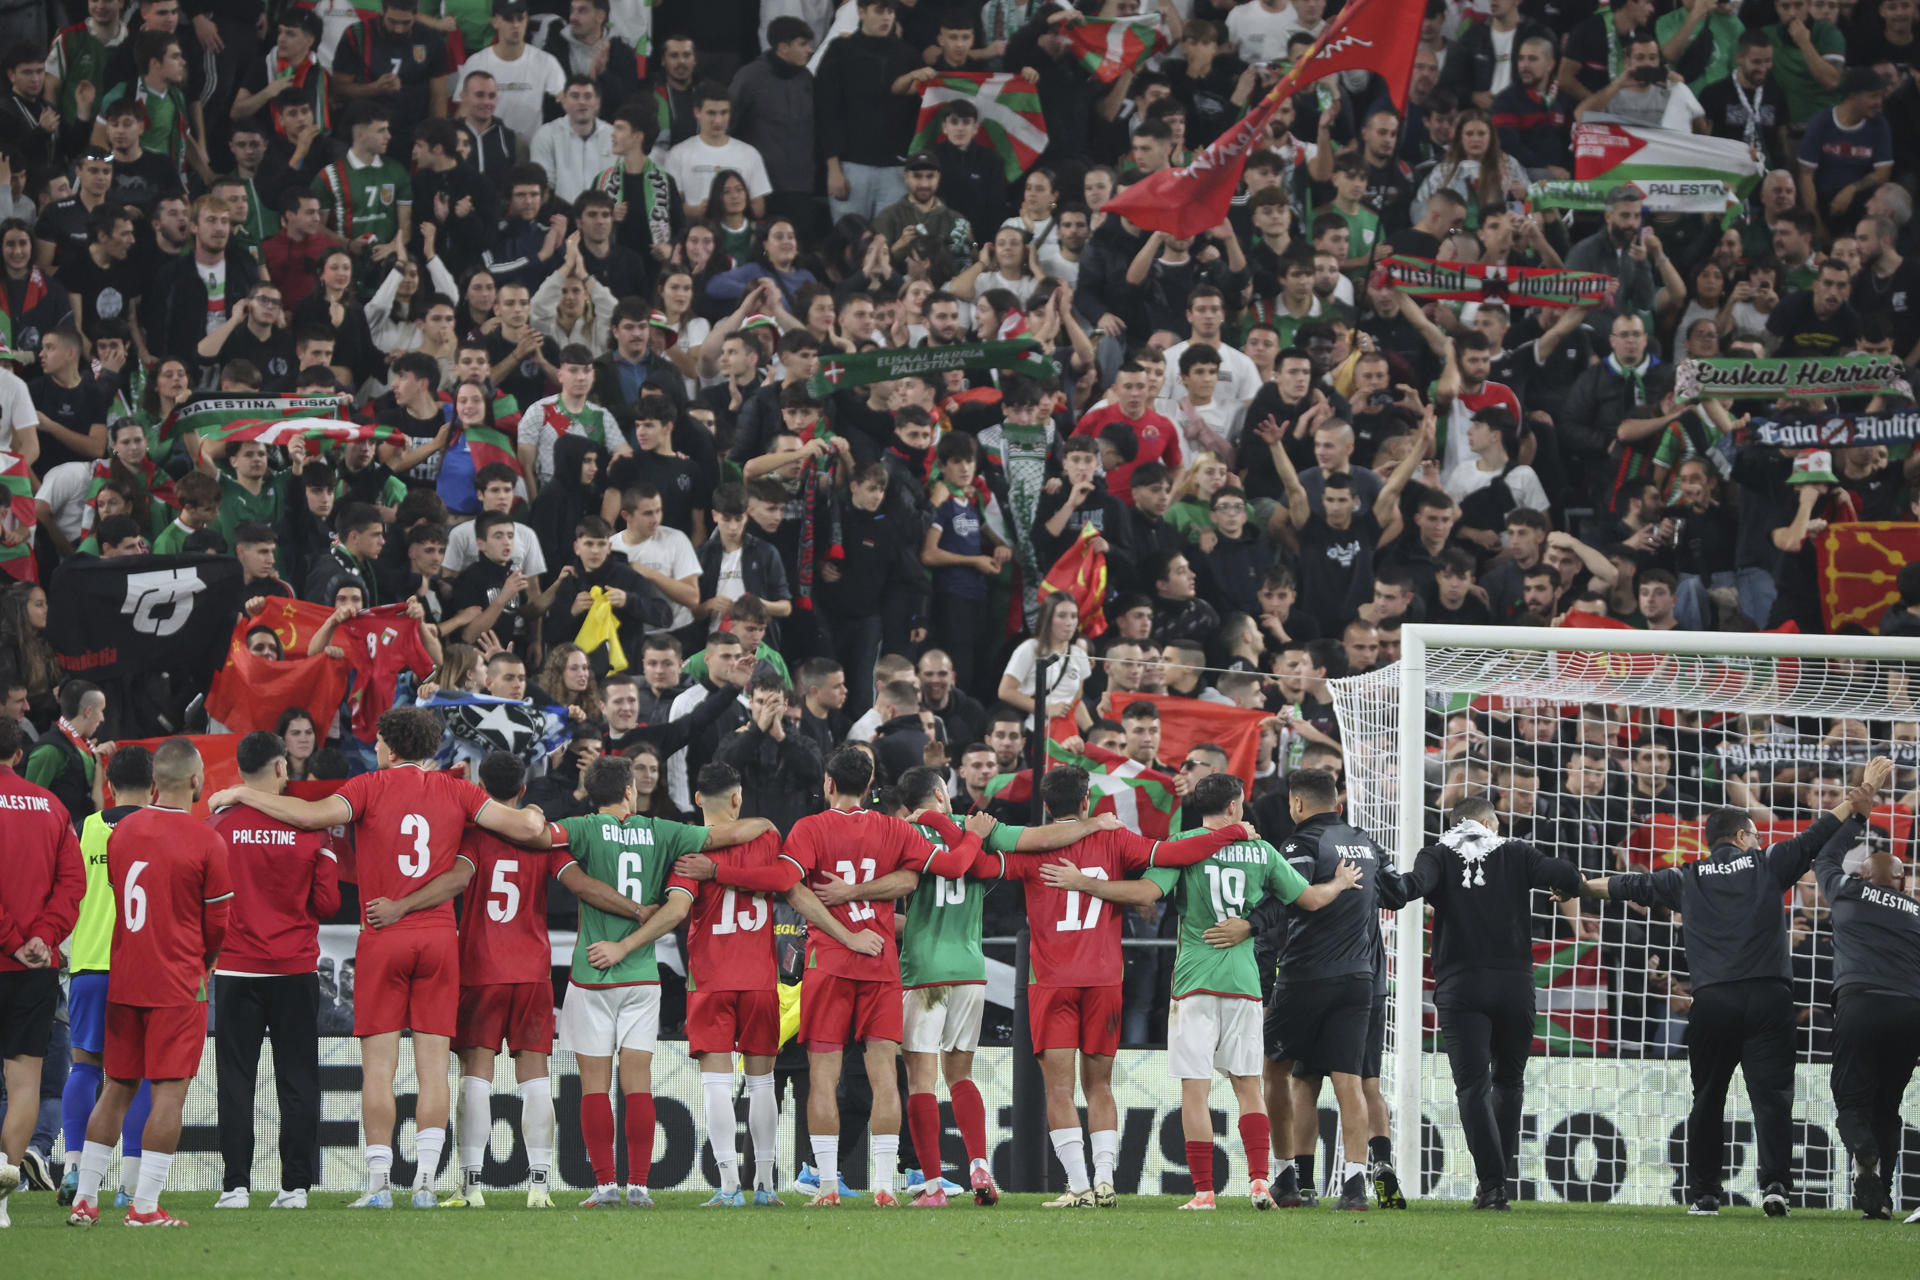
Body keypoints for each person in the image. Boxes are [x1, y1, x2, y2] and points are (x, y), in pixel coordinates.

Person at [204, 706, 549, 1210]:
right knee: (433, 1069)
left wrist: (240, 793)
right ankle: (426, 1182)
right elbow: (523, 828)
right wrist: (534, 814)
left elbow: (306, 815)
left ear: (389, 744)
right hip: (437, 938)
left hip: (383, 934)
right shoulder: (458, 791)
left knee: (379, 1069)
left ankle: (378, 1184)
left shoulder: (369, 786)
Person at [1580, 757, 1891, 1216]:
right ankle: (1776, 1188)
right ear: (1744, 836)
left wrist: (1579, 887)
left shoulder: (1684, 876)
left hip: (1713, 1000)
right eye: (1756, 835)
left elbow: (1629, 885)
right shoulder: (1767, 863)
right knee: (1772, 1097)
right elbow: (1815, 837)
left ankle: (1705, 1193)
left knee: (1707, 1098)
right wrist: (1858, 798)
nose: (1760, 840)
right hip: (1769, 997)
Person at [1041, 773, 1361, 1211]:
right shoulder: (1261, 849)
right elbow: (1309, 900)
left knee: (1196, 1091)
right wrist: (1340, 883)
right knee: (1249, 1087)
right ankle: (1259, 1184)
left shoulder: (1184, 846)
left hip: (1194, 981)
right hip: (1245, 982)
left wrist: (1086, 884)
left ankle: (1205, 1192)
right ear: (1234, 806)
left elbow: (1145, 893)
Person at [778, 744, 987, 1207]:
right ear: (871, 788)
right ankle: (885, 1185)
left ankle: (828, 1185)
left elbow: (792, 887)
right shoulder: (894, 828)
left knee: (824, 1076)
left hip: (829, 962)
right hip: (881, 964)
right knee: (883, 1077)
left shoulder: (809, 828)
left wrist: (844, 931)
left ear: (828, 784)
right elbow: (916, 879)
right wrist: (971, 836)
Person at [444, 750, 650, 1209]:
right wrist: (636, 910)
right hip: (533, 974)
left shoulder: (473, 838)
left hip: (481, 972)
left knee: (475, 1078)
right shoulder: (541, 840)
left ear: (480, 787)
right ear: (522, 789)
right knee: (534, 1079)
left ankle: (471, 1186)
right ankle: (539, 1184)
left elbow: (456, 881)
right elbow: (583, 886)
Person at [1384, 798, 1583, 1210]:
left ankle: (1492, 1186)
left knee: (1472, 1087)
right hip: (1514, 985)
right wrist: (1562, 885)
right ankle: (1497, 1182)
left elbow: (1409, 888)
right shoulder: (1515, 851)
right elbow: (1565, 874)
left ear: (1454, 824)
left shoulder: (1437, 853)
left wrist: (1383, 879)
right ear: (1491, 823)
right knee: (1509, 1082)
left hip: (1461, 987)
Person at [68, 738, 231, 1229]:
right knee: (168, 1096)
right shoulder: (207, 840)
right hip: (178, 984)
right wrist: (204, 964)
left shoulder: (124, 833)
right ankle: (143, 1208)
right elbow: (217, 925)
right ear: (199, 782)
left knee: (114, 1087)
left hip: (125, 981)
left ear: (156, 784)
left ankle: (85, 1199)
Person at [207, 731, 339, 1211]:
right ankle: (296, 1187)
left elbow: (206, 900)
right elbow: (329, 901)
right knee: (299, 1078)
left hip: (237, 970)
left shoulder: (218, 828)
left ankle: (236, 1186)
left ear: (240, 771)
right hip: (294, 969)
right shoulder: (311, 829)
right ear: (281, 768)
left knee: (236, 1079)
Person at [1813, 793, 1920, 1220]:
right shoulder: (1916, 911)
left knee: (1851, 1102)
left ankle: (1864, 1151)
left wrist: (1860, 812)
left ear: (1862, 873)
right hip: (1911, 1008)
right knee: (1888, 1104)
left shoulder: (1846, 889)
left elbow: (1825, 855)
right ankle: (1882, 1200)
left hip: (1860, 1001)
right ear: (1902, 881)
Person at [0, 712, 84, 1228]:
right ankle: (2, 1196)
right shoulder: (51, 806)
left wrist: (12, 940)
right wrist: (42, 938)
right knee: (25, 1081)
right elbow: (73, 882)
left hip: (13, 952)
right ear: (17, 756)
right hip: (35, 967)